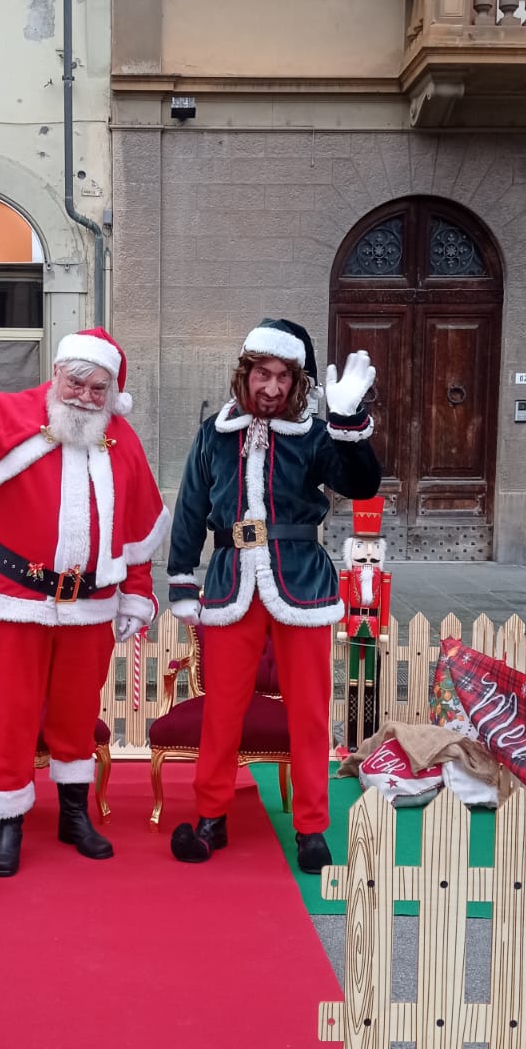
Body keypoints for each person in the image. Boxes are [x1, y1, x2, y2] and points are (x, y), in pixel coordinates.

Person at [0, 316, 169, 877]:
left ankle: (73, 815)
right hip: (13, 602)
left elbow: (137, 532)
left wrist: (136, 595)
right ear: (55, 374)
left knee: (76, 715)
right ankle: (7, 824)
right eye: (75, 382)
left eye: (97, 387)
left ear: (113, 394)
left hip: (90, 609)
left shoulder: (121, 440)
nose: (83, 395)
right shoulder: (10, 415)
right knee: (7, 715)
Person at [166, 318, 381, 873]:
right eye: (263, 374)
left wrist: (348, 420)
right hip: (232, 580)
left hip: (301, 583)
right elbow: (191, 507)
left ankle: (312, 828)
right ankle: (211, 816)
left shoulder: (313, 435)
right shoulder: (214, 432)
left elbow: (362, 485)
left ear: (296, 383)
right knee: (222, 710)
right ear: (245, 373)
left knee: (309, 714)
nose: (272, 387)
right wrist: (181, 578)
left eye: (283, 377)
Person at [339, 495, 391, 749]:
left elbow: (387, 603)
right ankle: (350, 739)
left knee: (369, 679)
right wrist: (341, 627)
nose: (369, 551)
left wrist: (383, 630)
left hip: (371, 624)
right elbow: (343, 602)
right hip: (353, 622)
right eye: (361, 545)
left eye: (373, 546)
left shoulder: (383, 576)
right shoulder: (348, 575)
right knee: (352, 680)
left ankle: (368, 736)